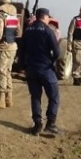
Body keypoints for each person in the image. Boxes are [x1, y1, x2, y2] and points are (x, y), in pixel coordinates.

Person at [18, 7, 60, 136]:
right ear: (45, 17)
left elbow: (21, 50)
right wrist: (51, 61)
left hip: (31, 69)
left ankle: (37, 125)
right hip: (45, 69)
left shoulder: (28, 30)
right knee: (53, 96)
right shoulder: (48, 31)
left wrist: (22, 67)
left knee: (35, 96)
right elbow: (57, 52)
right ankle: (50, 124)